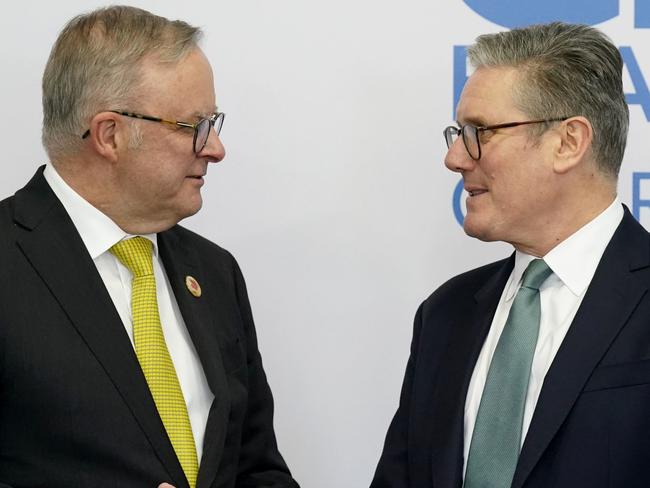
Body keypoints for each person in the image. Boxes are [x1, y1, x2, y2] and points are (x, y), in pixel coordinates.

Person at [0, 6, 298, 488]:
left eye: (213, 123)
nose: (215, 148)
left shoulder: (215, 272)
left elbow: (255, 465)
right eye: (193, 126)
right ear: (110, 135)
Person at [371, 22, 649, 488]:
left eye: (481, 131)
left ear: (568, 142)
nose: (456, 157)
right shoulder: (445, 314)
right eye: (458, 133)